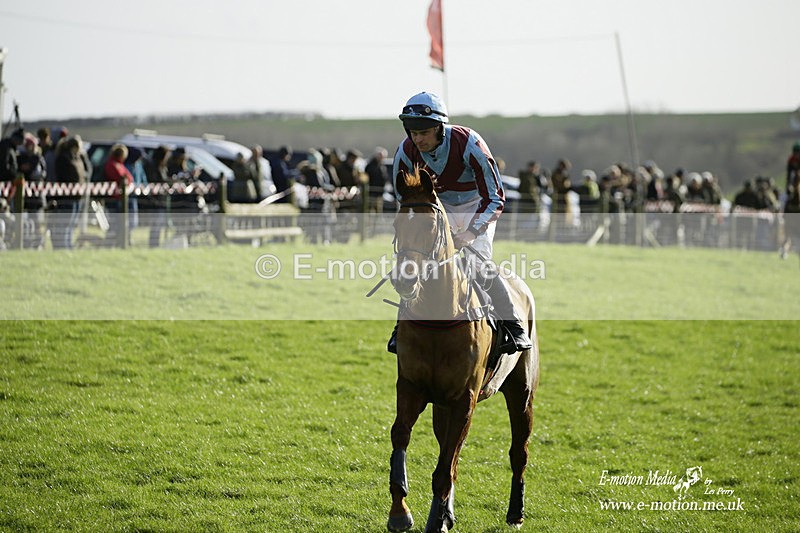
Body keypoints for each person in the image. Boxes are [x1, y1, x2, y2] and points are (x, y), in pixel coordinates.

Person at [389, 91, 532, 355]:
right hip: (437, 209)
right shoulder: (406, 151)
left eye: (423, 132)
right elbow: (404, 199)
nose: (417, 139)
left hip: (476, 206)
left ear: (440, 128)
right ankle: (401, 329)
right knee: (415, 262)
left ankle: (512, 325)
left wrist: (470, 234)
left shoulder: (469, 144)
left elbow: (495, 197)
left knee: (476, 262)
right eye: (412, 132)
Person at [51, 136, 87, 249]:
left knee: (72, 224)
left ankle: (68, 245)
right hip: (67, 197)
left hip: (77, 196)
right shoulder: (63, 159)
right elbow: (65, 176)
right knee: (65, 224)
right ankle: (62, 246)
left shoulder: (77, 158)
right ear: (74, 147)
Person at [103, 143, 134, 245]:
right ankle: (109, 243)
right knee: (114, 223)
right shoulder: (111, 164)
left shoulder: (120, 164)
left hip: (120, 199)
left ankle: (118, 242)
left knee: (120, 222)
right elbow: (121, 179)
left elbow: (129, 178)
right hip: (114, 199)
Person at [364, 146, 389, 211]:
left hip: (379, 192)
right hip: (372, 192)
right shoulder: (370, 166)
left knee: (378, 209)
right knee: (370, 209)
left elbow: (384, 177)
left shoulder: (382, 166)